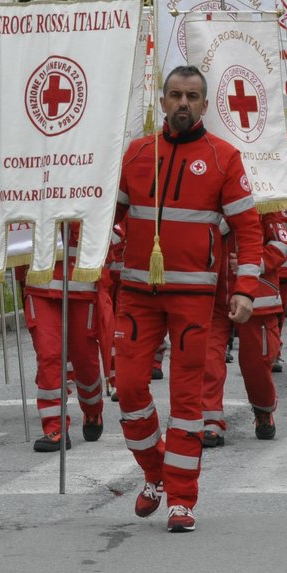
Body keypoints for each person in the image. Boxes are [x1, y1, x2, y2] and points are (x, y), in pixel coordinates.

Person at [114, 66, 263, 533]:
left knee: (186, 401)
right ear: (162, 102)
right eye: (175, 95)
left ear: (204, 104)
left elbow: (250, 231)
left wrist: (245, 289)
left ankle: (181, 499)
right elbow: (107, 217)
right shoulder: (136, 153)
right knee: (131, 389)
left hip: (195, 300)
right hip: (137, 296)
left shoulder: (224, 158)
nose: (183, 103)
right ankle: (153, 473)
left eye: (192, 96)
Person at [202, 205, 287, 445]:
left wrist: (255, 263)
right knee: (207, 359)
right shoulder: (206, 196)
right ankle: (210, 420)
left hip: (257, 296)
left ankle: (263, 409)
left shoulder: (265, 202)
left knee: (257, 363)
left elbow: (282, 243)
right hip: (212, 293)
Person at [18, 222, 107, 451]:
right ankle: (55, 427)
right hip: (40, 280)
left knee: (84, 360)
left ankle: (92, 408)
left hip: (81, 280)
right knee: (49, 354)